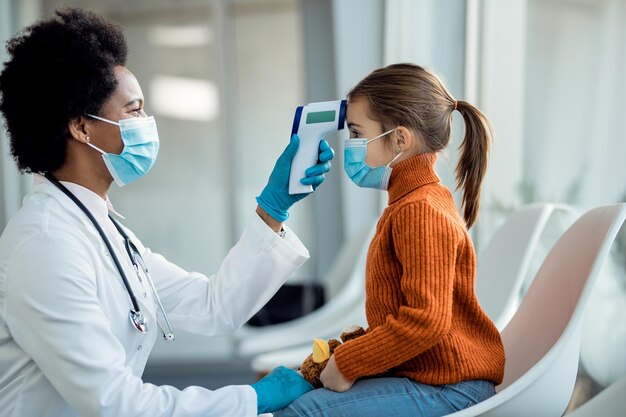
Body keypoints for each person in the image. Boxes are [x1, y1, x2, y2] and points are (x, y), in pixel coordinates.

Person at [0, 8, 333, 417]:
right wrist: (253, 399)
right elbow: (117, 404)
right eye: (133, 110)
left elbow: (214, 306)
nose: (146, 123)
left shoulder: (101, 229)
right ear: (81, 127)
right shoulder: (45, 245)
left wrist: (273, 208)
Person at [276, 63, 505, 417]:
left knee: (305, 412)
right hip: (432, 378)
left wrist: (348, 363)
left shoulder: (419, 210)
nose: (349, 146)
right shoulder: (413, 202)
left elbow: (425, 321)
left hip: (452, 387)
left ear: (399, 139)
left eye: (356, 132)